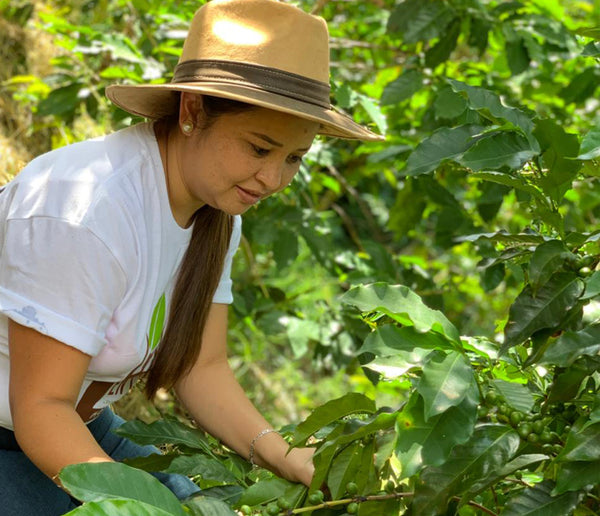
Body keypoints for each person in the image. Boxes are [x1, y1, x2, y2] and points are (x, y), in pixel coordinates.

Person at [0, 0, 382, 514]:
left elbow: (201, 364)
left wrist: (288, 456)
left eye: (293, 158)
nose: (273, 180)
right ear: (192, 111)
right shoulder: (86, 209)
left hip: (84, 426)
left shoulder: (217, 213)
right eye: (259, 148)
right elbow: (40, 409)